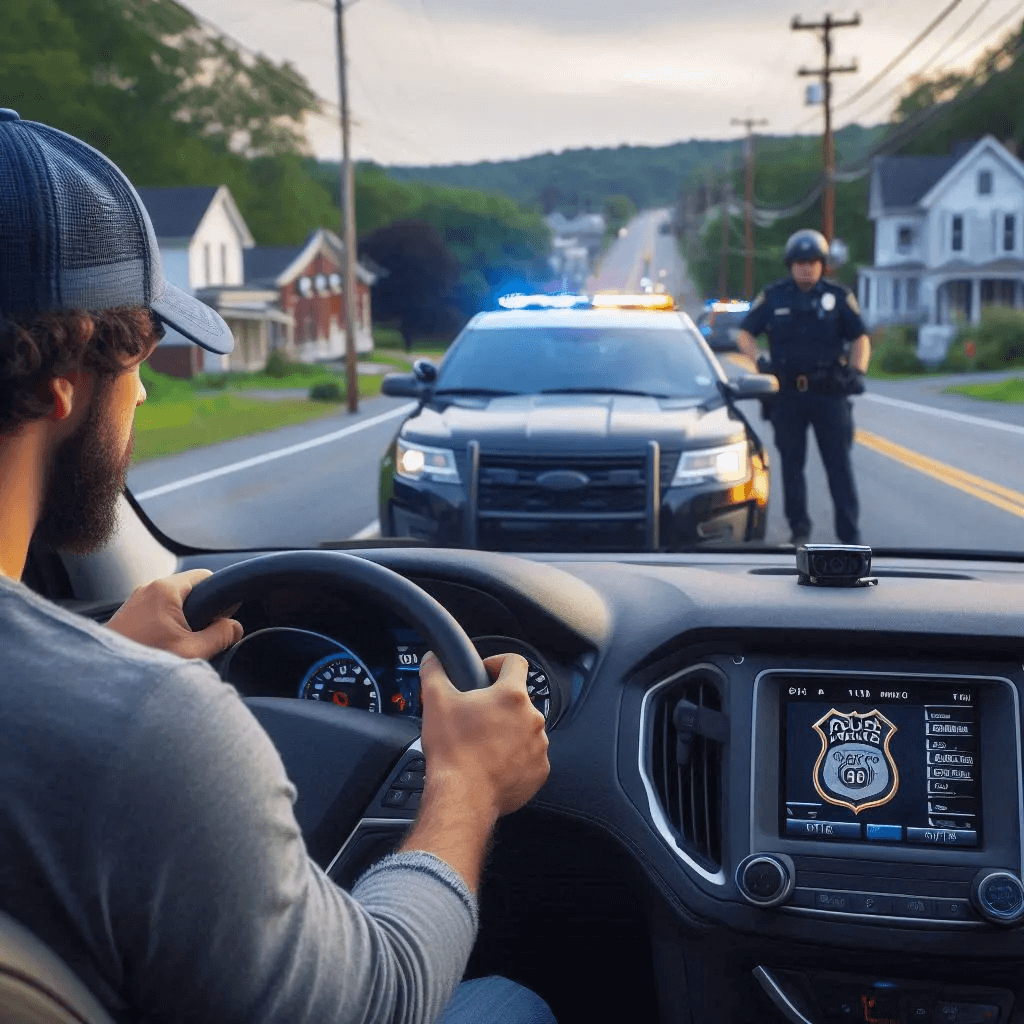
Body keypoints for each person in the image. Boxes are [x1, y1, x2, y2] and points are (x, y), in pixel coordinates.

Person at [0, 109, 554, 1024]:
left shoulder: (103, 694)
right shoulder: (142, 732)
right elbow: (382, 998)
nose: (141, 388)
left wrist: (100, 647)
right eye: (137, 355)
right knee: (509, 1003)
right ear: (62, 390)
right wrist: (469, 783)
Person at [736, 229, 871, 547]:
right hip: (788, 395)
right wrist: (760, 360)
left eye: (812, 262)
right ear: (790, 265)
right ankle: (800, 532)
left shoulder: (838, 297)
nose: (806, 268)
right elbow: (744, 334)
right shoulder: (774, 296)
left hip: (829, 394)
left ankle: (849, 535)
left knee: (839, 465)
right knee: (792, 466)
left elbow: (860, 337)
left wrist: (857, 370)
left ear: (823, 264)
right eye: (799, 262)